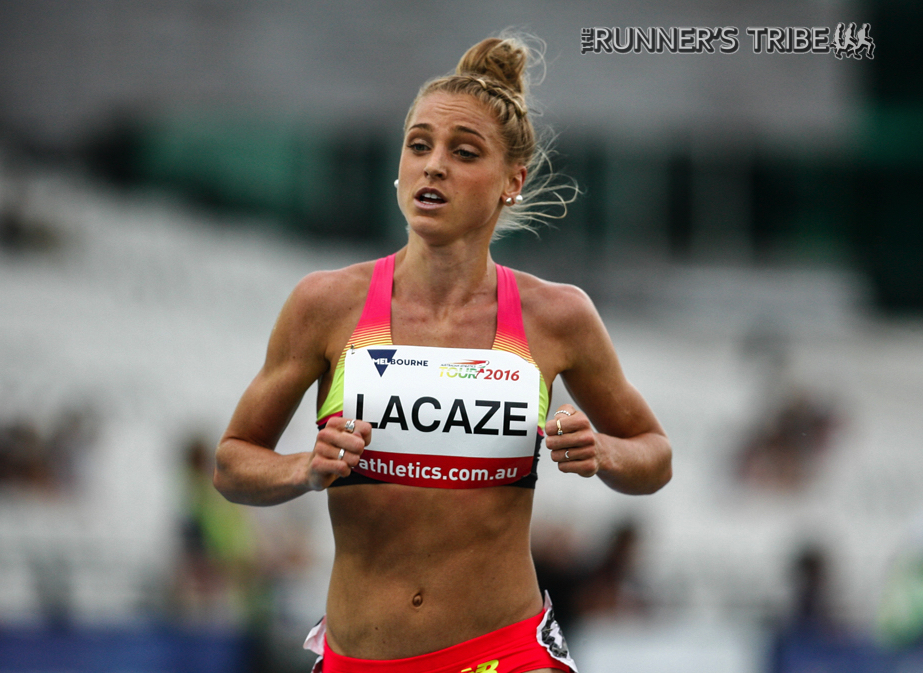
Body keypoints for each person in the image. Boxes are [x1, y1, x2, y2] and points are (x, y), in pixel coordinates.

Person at [214, 33, 672, 673]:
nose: (433, 166)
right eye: (418, 146)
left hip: (504, 653)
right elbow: (232, 464)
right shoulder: (326, 304)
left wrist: (605, 452)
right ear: (398, 168)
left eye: (463, 153)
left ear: (512, 181)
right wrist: (303, 470)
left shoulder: (556, 315)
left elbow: (655, 455)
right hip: (362, 656)